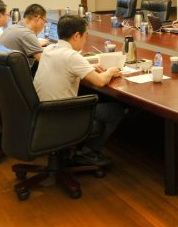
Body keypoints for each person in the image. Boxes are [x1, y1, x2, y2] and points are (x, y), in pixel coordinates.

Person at [33, 15, 124, 166]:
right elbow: (100, 81)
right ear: (76, 36)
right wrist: (111, 71)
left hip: (42, 112)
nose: (85, 40)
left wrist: (88, 68)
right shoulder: (72, 56)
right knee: (115, 111)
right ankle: (87, 153)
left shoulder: (49, 49)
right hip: (61, 115)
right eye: (85, 36)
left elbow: (64, 67)